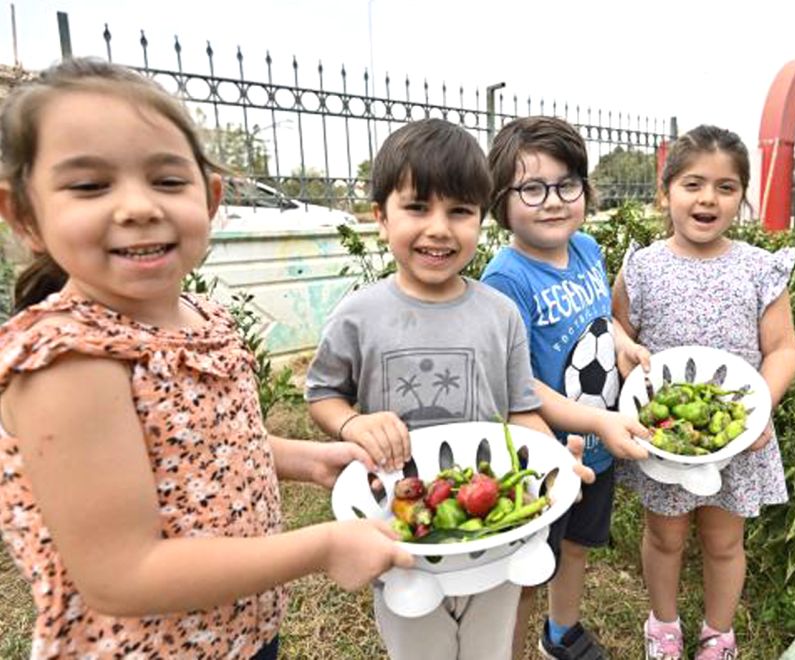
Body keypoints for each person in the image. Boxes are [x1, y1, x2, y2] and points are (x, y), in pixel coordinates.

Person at [0, 57, 413, 660]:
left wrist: (311, 460)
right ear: (25, 216)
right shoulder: (68, 361)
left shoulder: (202, 318)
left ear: (211, 197)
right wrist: (324, 546)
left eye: (167, 181)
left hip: (238, 631)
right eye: (90, 185)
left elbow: (203, 447)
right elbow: (122, 573)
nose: (137, 206)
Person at [304, 118, 592, 660]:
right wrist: (351, 422)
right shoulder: (359, 316)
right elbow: (323, 394)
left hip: (490, 527)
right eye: (417, 207)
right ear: (380, 218)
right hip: (400, 525)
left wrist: (554, 457)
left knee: (489, 648)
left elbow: (520, 411)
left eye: (459, 211)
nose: (439, 228)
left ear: (482, 220)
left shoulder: (500, 315)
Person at [612, 124, 795, 659]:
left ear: (742, 197)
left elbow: (783, 349)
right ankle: (663, 626)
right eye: (693, 184)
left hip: (736, 433)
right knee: (665, 537)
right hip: (664, 432)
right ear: (665, 190)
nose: (707, 199)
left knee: (723, 543)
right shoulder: (642, 267)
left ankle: (719, 634)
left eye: (725, 187)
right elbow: (617, 329)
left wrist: (759, 408)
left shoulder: (760, 270)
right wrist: (623, 342)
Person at [481, 116, 652, 660]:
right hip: (544, 457)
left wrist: (622, 341)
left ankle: (561, 632)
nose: (552, 201)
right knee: (529, 571)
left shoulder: (587, 251)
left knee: (577, 547)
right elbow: (517, 381)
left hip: (599, 448)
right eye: (532, 188)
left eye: (566, 184)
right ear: (499, 200)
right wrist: (596, 421)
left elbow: (602, 317)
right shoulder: (506, 279)